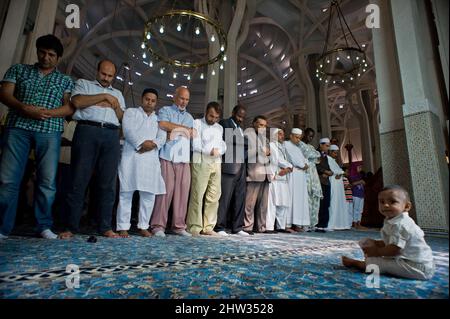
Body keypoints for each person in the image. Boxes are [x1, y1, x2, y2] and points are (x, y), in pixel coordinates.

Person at [0, 34, 74, 240]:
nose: (46, 57)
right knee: (8, 179)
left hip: (50, 129)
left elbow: (69, 106)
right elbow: (5, 94)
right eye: (42, 52)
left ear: (58, 58)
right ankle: (2, 227)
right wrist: (24, 108)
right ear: (37, 51)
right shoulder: (19, 70)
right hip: (18, 127)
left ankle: (43, 226)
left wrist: (48, 113)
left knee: (47, 181)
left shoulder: (65, 79)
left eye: (51, 55)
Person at [60, 59, 126, 239]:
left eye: (110, 76)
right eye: (104, 74)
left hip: (111, 134)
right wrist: (104, 97)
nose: (106, 78)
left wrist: (114, 104)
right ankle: (71, 227)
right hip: (87, 131)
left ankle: (105, 226)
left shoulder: (118, 93)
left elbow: (121, 117)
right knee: (78, 179)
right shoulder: (84, 84)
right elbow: (78, 102)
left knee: (108, 183)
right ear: (97, 72)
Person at [342, 185, 435, 280]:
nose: (385, 205)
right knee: (366, 242)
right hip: (409, 260)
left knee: (376, 264)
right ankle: (369, 260)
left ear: (406, 206)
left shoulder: (401, 224)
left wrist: (376, 251)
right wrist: (377, 243)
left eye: (392, 202)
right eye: (382, 202)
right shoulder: (393, 220)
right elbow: (394, 242)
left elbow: (395, 249)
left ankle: (356, 263)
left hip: (417, 266)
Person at [116, 88, 166, 237]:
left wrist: (152, 144)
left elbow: (162, 136)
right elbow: (128, 130)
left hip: (150, 160)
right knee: (126, 192)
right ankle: (123, 226)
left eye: (153, 101)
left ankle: (143, 225)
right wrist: (141, 144)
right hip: (131, 157)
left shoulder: (158, 119)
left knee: (148, 194)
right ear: (142, 99)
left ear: (156, 103)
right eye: (147, 99)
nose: (149, 103)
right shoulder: (131, 112)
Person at [150, 87, 195, 237]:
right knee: (164, 191)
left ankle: (179, 226)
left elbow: (193, 134)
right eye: (182, 98)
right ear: (175, 97)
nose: (184, 102)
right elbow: (162, 124)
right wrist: (184, 130)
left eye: (187, 99)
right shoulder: (165, 110)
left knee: (183, 193)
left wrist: (174, 130)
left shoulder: (189, 116)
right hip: (167, 156)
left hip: (183, 158)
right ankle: (158, 226)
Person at [186, 102, 226, 236]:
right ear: (206, 112)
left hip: (216, 162)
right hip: (201, 160)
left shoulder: (220, 127)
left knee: (214, 195)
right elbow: (195, 145)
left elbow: (223, 145)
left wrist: (220, 150)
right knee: (198, 194)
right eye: (211, 116)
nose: (213, 119)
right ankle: (194, 227)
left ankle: (208, 227)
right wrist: (210, 150)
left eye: (216, 117)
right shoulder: (197, 123)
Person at [214, 105, 249, 236]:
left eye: (243, 117)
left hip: (241, 166)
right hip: (229, 166)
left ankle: (237, 227)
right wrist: (247, 142)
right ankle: (219, 227)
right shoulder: (225, 123)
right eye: (239, 116)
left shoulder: (241, 129)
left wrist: (245, 143)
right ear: (233, 112)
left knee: (240, 198)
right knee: (225, 198)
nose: (241, 119)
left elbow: (243, 145)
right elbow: (231, 138)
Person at [243, 115, 271, 234]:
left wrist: (269, 154)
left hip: (266, 174)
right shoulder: (247, 135)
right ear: (254, 124)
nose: (263, 128)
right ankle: (247, 227)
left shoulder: (266, 139)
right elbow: (244, 155)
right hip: (253, 173)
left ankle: (261, 227)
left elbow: (269, 155)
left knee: (263, 204)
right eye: (261, 125)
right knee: (249, 203)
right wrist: (259, 151)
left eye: (265, 126)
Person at [266, 128, 293, 233]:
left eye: (283, 134)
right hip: (275, 178)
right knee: (272, 204)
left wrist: (288, 169)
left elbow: (286, 161)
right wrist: (289, 166)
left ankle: (281, 226)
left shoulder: (283, 147)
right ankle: (269, 227)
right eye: (279, 134)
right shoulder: (272, 145)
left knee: (283, 204)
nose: (282, 136)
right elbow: (277, 160)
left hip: (283, 179)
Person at [284, 128, 310, 232]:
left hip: (301, 176)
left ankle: (298, 224)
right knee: (292, 199)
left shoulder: (298, 148)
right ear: (291, 136)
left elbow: (305, 160)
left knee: (300, 200)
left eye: (299, 138)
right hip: (293, 175)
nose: (298, 140)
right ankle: (288, 224)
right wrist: (303, 165)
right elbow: (293, 159)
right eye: (296, 137)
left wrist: (305, 164)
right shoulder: (286, 144)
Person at [299, 128, 322, 232]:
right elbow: (309, 155)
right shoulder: (300, 144)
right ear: (304, 134)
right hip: (305, 173)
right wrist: (316, 154)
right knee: (306, 198)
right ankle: (305, 224)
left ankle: (313, 223)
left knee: (315, 198)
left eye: (312, 136)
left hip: (314, 174)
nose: (311, 138)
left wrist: (316, 154)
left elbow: (318, 159)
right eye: (309, 135)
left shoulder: (311, 146)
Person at [327, 145, 351, 230]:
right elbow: (333, 171)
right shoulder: (327, 159)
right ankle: (332, 224)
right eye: (334, 153)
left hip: (338, 186)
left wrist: (341, 173)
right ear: (330, 152)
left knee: (339, 203)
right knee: (333, 203)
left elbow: (338, 172)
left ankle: (341, 224)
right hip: (333, 184)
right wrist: (342, 172)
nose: (336, 155)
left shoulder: (334, 161)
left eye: (337, 153)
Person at [315, 137, 333, 232]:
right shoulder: (316, 153)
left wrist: (330, 172)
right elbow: (315, 165)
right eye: (326, 146)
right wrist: (324, 172)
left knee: (326, 203)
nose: (328, 148)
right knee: (321, 204)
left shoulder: (325, 155)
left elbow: (329, 168)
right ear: (321, 145)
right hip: (319, 181)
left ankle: (324, 225)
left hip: (326, 182)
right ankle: (318, 225)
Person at [350, 164, 367, 230]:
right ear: (355, 168)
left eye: (361, 167)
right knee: (356, 209)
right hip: (356, 194)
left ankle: (359, 223)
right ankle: (355, 223)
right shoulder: (352, 176)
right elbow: (352, 184)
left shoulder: (360, 175)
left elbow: (364, 183)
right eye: (359, 167)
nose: (360, 168)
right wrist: (360, 182)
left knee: (360, 210)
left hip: (361, 194)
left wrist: (362, 182)